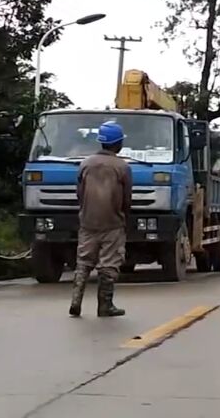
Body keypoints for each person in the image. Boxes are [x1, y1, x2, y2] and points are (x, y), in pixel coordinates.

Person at [69, 121, 132, 318]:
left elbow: (79, 193)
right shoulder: (122, 167)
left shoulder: (85, 164)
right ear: (118, 143)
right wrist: (124, 218)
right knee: (109, 263)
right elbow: (127, 198)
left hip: (88, 221)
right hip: (112, 222)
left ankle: (75, 301)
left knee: (84, 261)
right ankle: (104, 305)